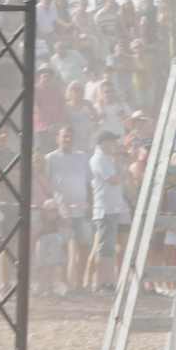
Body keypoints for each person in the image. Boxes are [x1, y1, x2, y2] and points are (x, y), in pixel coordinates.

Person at [45, 124, 92, 294]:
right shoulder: (50, 158)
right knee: (62, 249)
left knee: (84, 246)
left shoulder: (81, 157)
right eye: (64, 136)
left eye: (70, 136)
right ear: (57, 138)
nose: (67, 139)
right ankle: (66, 284)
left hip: (81, 210)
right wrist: (51, 208)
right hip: (61, 212)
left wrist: (90, 204)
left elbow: (88, 183)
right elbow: (46, 184)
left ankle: (79, 283)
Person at [87, 129, 130, 294]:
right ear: (105, 142)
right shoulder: (99, 159)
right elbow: (115, 180)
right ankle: (100, 283)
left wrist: (119, 164)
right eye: (112, 141)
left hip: (112, 209)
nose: (114, 145)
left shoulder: (106, 159)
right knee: (104, 248)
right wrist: (121, 172)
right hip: (105, 209)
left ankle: (109, 281)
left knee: (109, 248)